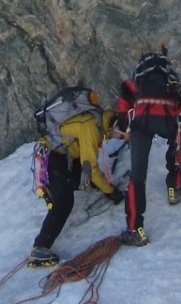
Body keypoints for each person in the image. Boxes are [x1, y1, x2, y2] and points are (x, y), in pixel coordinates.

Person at [28, 88, 122, 267]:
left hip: (60, 153)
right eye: (120, 134)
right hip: (51, 156)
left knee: (75, 176)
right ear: (114, 125)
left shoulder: (95, 120)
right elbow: (90, 168)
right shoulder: (91, 128)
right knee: (63, 203)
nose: (118, 138)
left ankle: (66, 185)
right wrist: (110, 191)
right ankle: (40, 248)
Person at [114, 45, 181, 247]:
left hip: (141, 121)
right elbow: (180, 100)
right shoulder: (168, 76)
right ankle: (174, 186)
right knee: (176, 147)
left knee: (137, 177)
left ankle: (135, 229)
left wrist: (123, 125)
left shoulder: (139, 77)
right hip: (168, 117)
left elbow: (124, 98)